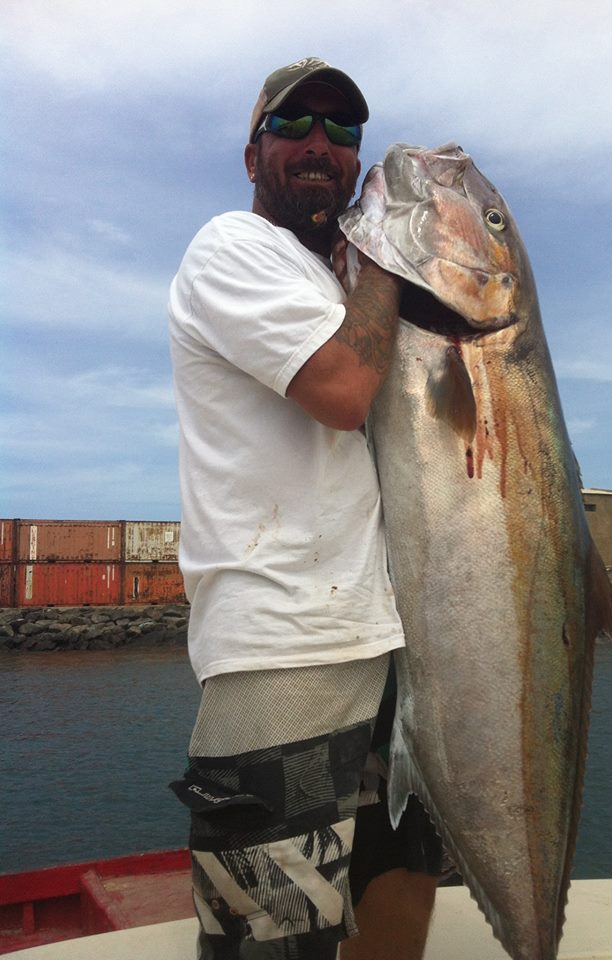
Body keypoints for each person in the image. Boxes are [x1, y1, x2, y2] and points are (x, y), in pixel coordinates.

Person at [168, 57, 443, 960]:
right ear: (252, 158)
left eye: (340, 131)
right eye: (294, 128)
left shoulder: (336, 288)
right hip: (280, 648)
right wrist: (379, 254)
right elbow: (342, 389)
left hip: (383, 638)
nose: (320, 146)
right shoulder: (231, 250)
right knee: (273, 939)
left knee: (401, 879)